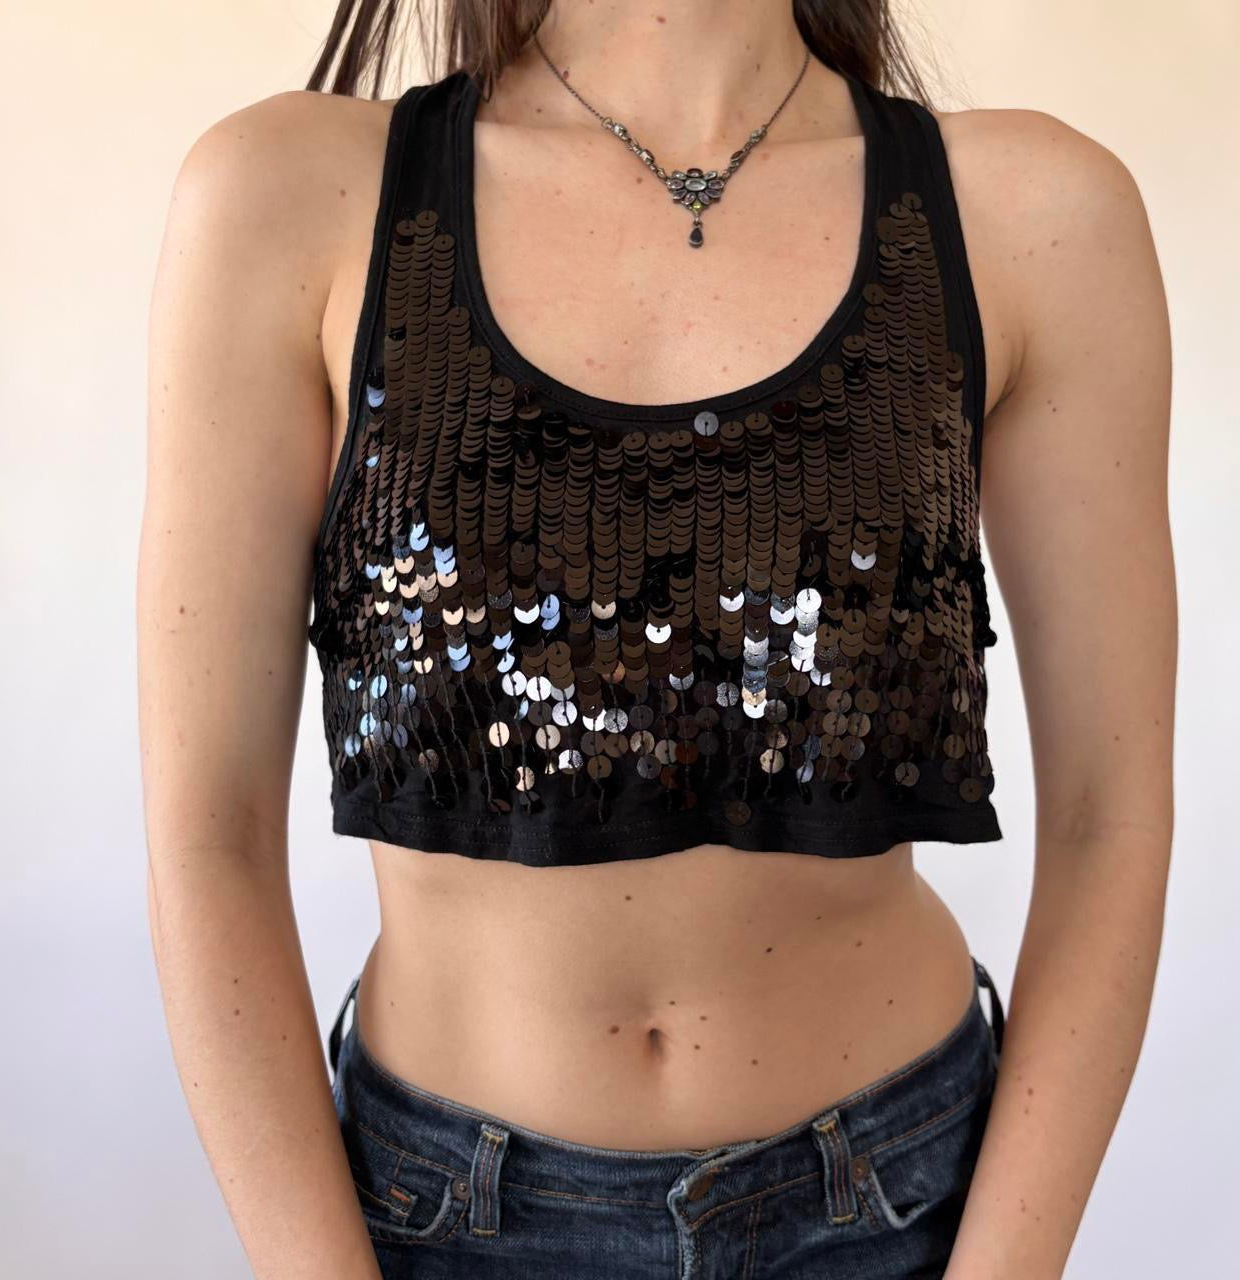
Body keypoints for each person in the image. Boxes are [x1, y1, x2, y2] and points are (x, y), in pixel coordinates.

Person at [137, 2, 1175, 1277]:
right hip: (436, 1222)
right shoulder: (290, 201)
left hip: (897, 1208)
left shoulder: (1031, 216)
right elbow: (209, 834)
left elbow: (1109, 818)